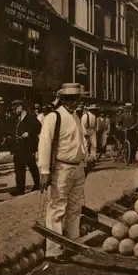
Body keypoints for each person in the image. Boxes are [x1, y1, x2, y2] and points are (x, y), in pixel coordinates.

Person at [39, 83, 87, 263]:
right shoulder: (54, 117)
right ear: (63, 98)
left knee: (75, 207)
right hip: (61, 168)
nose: (74, 101)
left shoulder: (76, 116)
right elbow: (44, 143)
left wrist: (85, 159)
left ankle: (72, 244)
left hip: (77, 167)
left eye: (77, 98)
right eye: (70, 98)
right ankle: (53, 250)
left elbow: (80, 141)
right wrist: (44, 170)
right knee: (57, 208)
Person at [10, 99, 41, 196]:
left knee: (32, 166)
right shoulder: (17, 118)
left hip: (28, 147)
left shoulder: (30, 117)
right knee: (18, 168)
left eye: (15, 108)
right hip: (18, 148)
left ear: (21, 107)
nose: (14, 110)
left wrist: (29, 133)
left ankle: (37, 184)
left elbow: (38, 127)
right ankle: (20, 189)